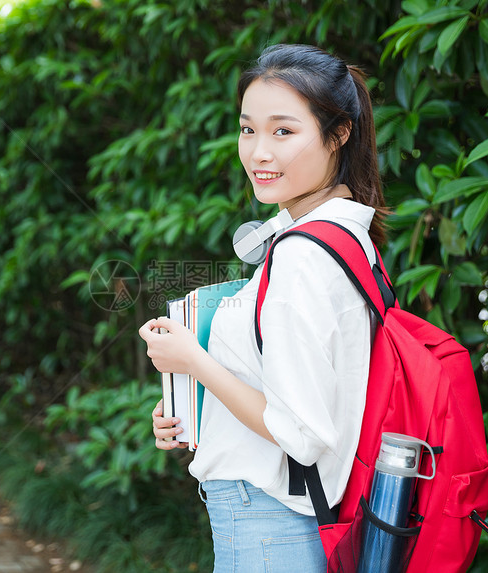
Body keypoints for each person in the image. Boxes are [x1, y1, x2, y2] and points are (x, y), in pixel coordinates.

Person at [138, 44, 386, 572]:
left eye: (283, 131)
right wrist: (195, 407)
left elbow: (302, 434)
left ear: (338, 133)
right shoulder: (343, 238)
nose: (258, 153)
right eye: (248, 130)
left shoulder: (302, 257)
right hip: (283, 519)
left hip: (269, 525)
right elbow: (299, 388)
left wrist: (193, 361)